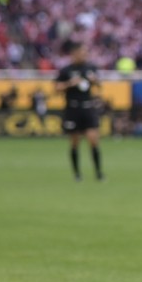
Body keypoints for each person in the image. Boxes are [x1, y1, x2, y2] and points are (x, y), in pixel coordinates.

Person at [55, 42, 104, 182]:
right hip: (72, 108)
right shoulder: (66, 70)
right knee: (75, 142)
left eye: (85, 53)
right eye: (82, 52)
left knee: (93, 139)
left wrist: (96, 81)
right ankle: (77, 174)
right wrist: (70, 83)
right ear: (74, 54)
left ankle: (98, 173)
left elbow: (100, 85)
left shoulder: (91, 68)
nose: (84, 55)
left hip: (88, 107)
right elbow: (56, 88)